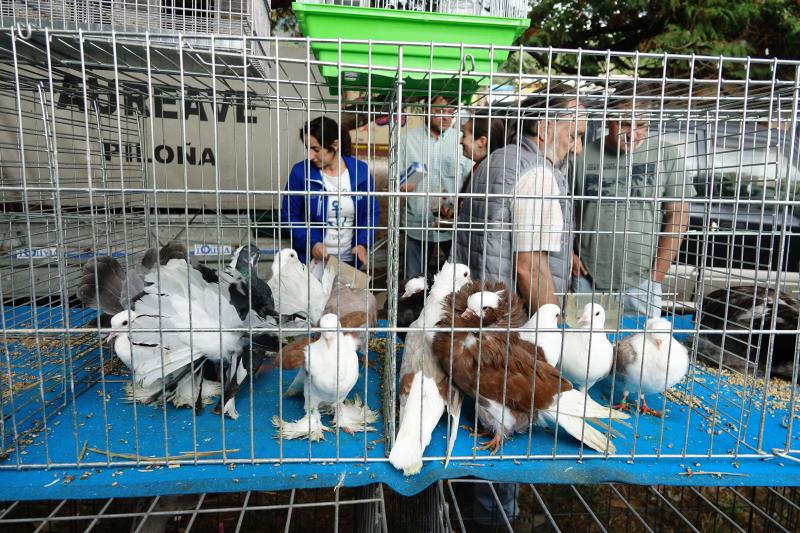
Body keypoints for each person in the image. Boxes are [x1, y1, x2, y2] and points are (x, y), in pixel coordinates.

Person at [452, 86, 587, 313]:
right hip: (510, 323)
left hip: (477, 312)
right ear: (545, 128)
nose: (579, 148)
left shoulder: (496, 158)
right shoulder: (537, 174)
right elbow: (531, 269)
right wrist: (551, 327)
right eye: (574, 136)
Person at [572, 84, 695, 318]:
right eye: (625, 124)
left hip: (642, 282)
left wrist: (657, 275)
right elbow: (563, 210)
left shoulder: (667, 155)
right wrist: (569, 255)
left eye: (641, 125)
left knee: (642, 342)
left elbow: (678, 216)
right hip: (587, 277)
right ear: (608, 119)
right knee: (581, 341)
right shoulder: (581, 156)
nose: (633, 133)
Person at [281, 116, 380, 272]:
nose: (310, 156)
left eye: (316, 149)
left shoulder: (360, 171)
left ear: (335, 144)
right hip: (311, 261)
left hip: (349, 261)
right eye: (308, 148)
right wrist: (312, 243)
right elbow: (290, 216)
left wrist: (362, 243)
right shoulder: (300, 173)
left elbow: (371, 212)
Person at [399, 95, 471, 279]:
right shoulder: (407, 140)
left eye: (450, 112)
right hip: (417, 221)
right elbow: (396, 179)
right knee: (413, 281)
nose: (446, 117)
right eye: (439, 111)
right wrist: (403, 185)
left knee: (461, 277)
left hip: (452, 223)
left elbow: (471, 180)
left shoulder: (461, 140)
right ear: (426, 112)